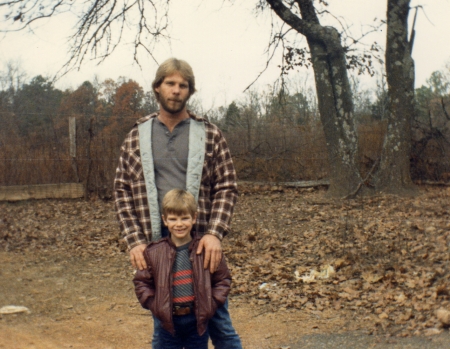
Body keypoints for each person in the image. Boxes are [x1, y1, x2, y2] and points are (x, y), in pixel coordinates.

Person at [114, 57, 242, 349]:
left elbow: (227, 185)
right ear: (157, 88)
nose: (176, 90)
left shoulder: (209, 134)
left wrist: (214, 234)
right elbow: (121, 191)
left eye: (183, 85)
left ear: (190, 91)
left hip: (199, 244)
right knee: (167, 323)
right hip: (156, 243)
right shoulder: (137, 136)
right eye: (169, 83)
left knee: (218, 321)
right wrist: (134, 240)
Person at [133, 189, 233, 349]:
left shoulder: (205, 249)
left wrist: (211, 304)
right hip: (168, 323)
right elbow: (141, 282)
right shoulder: (154, 252)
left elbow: (222, 280)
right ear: (165, 221)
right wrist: (154, 304)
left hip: (197, 321)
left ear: (194, 218)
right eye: (173, 219)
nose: (179, 224)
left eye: (184, 218)